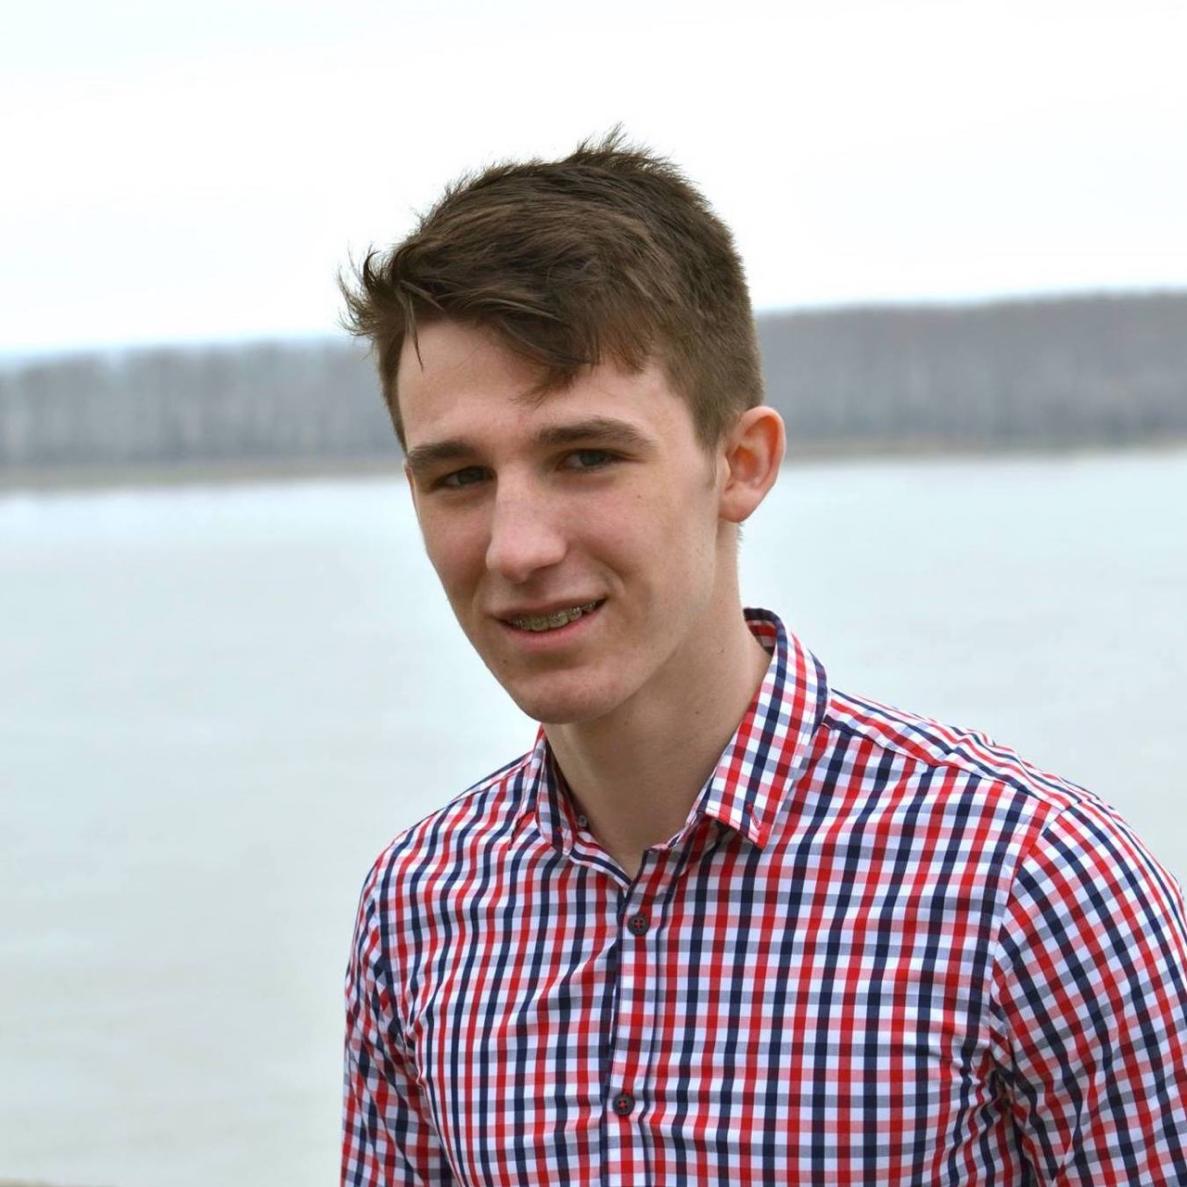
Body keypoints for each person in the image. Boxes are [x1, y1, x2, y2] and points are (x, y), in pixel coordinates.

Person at [338, 133, 1187, 1186]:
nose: (516, 548)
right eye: (459, 477)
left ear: (739, 464)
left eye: (585, 456)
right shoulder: (418, 906)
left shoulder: (1032, 885)